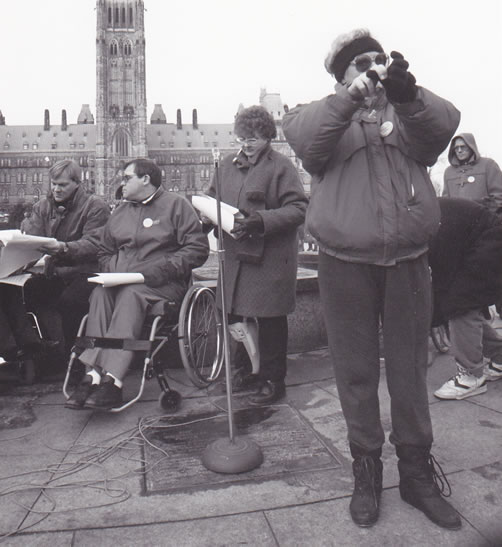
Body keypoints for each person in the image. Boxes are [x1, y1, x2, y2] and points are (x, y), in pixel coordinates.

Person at [283, 29, 461, 530]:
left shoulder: (404, 113)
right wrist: (349, 98)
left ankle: (416, 474)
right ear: (341, 73)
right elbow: (304, 141)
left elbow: (443, 128)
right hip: (345, 262)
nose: (374, 65)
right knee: (356, 372)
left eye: (378, 58)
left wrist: (410, 95)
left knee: (409, 369)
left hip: (407, 259)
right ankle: (366, 472)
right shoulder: (320, 114)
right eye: (360, 61)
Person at [65, 158, 209, 410]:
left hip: (164, 285)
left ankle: (114, 380)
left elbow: (197, 249)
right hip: (123, 282)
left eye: (126, 178)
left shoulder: (177, 205)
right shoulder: (120, 210)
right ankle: (94, 374)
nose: (122, 182)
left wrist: (159, 271)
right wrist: (114, 271)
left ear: (146, 179)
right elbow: (104, 251)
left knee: (131, 294)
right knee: (100, 293)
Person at [203, 105, 308, 406]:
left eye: (254, 138)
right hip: (237, 258)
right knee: (237, 317)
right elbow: (211, 199)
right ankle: (247, 370)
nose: (246, 144)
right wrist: (208, 216)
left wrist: (260, 220)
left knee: (271, 320)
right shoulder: (225, 165)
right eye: (242, 138)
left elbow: (298, 209)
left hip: (270, 259)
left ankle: (274, 379)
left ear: (268, 137)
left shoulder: (281, 167)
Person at [23, 159, 110, 368]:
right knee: (27, 291)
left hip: (89, 273)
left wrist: (63, 248)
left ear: (77, 183)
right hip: (57, 273)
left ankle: (77, 358)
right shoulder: (42, 207)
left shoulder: (95, 206)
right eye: (53, 184)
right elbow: (31, 241)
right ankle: (45, 350)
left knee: (70, 301)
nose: (56, 189)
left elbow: (95, 244)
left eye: (62, 185)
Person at [431, 197, 502, 400]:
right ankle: (499, 357)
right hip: (483, 238)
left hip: (489, 240)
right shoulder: (418, 210)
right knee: (463, 305)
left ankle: (471, 376)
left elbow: (442, 272)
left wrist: (437, 318)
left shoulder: (417, 220)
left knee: (459, 304)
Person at [442, 133, 502, 213]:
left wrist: (485, 216)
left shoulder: (488, 165)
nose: (459, 150)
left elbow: (498, 196)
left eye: (463, 147)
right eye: (456, 148)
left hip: (484, 220)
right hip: (458, 222)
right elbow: (446, 202)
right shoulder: (448, 172)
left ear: (471, 147)